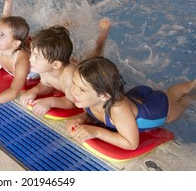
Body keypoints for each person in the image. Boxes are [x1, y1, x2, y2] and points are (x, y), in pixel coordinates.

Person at [66, 56, 196, 150]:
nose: (74, 91)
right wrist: (80, 118)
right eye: (74, 83)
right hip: (137, 97)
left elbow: (131, 143)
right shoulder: (89, 100)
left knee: (181, 102)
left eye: (81, 89)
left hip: (157, 109)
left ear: (104, 96)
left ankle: (192, 85)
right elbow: (94, 113)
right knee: (172, 94)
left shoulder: (117, 109)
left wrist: (96, 132)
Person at [20, 19, 111, 117]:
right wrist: (34, 91)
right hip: (64, 63)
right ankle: (66, 24)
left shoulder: (70, 79)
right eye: (32, 53)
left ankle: (101, 39)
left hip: (81, 69)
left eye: (36, 57)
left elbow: (72, 102)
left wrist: (50, 102)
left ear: (55, 65)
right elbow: (46, 85)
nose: (30, 59)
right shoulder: (45, 68)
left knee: (93, 58)